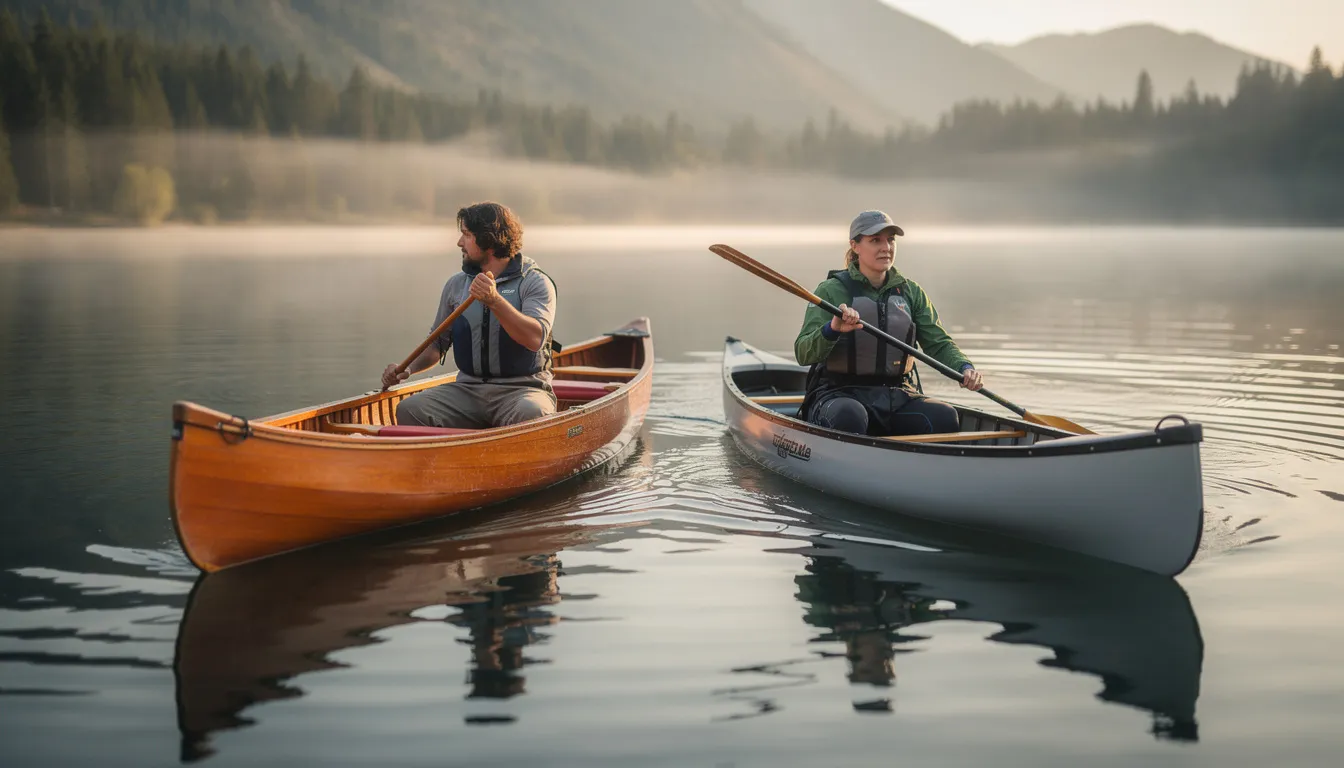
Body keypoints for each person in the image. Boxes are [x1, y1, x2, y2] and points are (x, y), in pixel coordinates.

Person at [794, 210, 984, 437]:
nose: (886, 247)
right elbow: (803, 353)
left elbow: (938, 344)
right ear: (855, 246)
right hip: (839, 394)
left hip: (896, 395)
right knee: (849, 416)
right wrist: (832, 329)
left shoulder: (910, 292)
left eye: (890, 240)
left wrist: (964, 368)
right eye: (875, 240)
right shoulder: (830, 291)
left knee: (944, 417)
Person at [382, 201, 557, 428]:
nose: (459, 243)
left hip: (523, 390)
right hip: (467, 390)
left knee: (532, 413)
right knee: (411, 409)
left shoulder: (535, 282)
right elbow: (437, 344)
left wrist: (494, 300)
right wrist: (406, 369)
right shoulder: (456, 285)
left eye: (466, 235)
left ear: (489, 240)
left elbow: (535, 339)